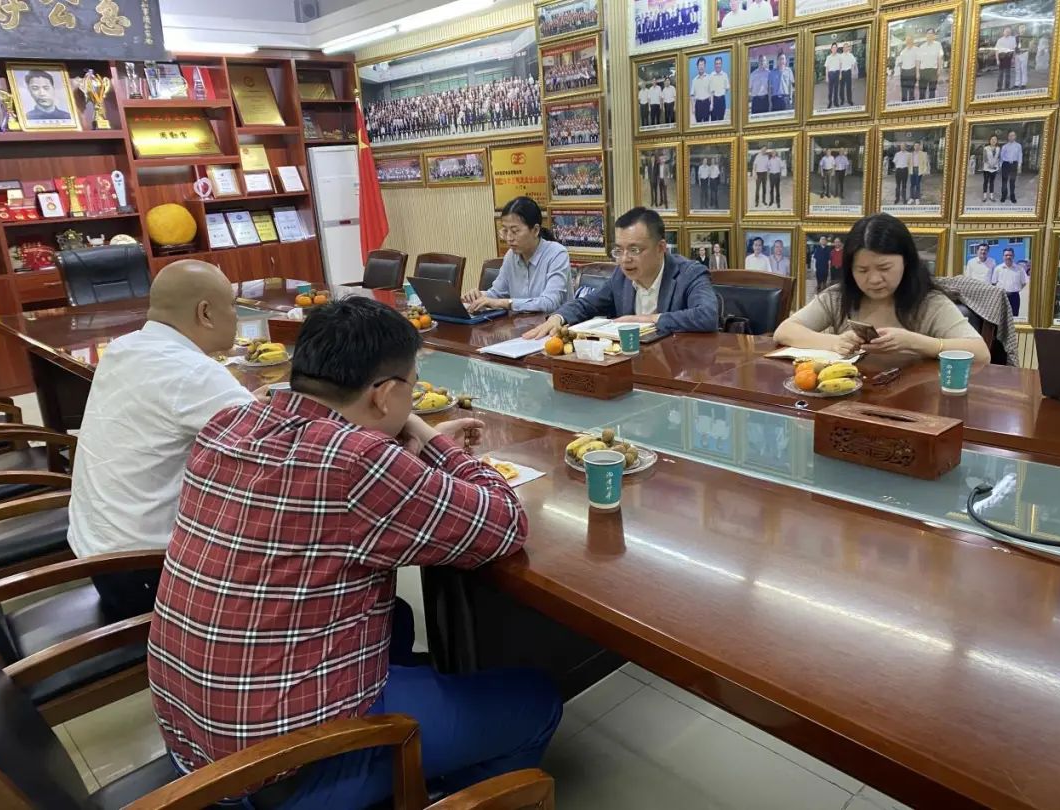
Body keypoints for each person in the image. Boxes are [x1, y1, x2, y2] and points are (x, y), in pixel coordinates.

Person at [150, 298, 562, 808]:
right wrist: (431, 438)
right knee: (535, 700)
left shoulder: (229, 425)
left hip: (194, 742)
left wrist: (397, 448)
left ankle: (415, 771)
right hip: (281, 772)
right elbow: (503, 521)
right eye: (411, 386)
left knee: (400, 618)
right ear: (384, 394)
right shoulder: (355, 461)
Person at [67, 260, 258, 619]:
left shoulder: (123, 348)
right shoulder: (192, 372)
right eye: (232, 305)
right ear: (205, 312)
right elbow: (282, 446)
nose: (236, 315)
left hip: (98, 558)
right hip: (146, 574)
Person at [774, 213, 990, 364]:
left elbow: (981, 354)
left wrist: (915, 342)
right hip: (846, 400)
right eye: (862, 270)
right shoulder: (839, 297)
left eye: (884, 268)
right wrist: (835, 342)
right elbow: (784, 331)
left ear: (906, 262)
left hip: (912, 403)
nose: (874, 279)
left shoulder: (929, 302)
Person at [522, 207, 720, 338]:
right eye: (619, 250)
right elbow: (587, 304)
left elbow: (707, 315)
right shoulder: (621, 276)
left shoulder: (689, 274)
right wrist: (558, 318)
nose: (625, 259)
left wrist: (647, 320)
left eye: (634, 250)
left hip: (677, 368)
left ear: (661, 248)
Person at [463, 197, 571, 315]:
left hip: (553, 324)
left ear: (535, 230)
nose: (509, 238)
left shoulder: (557, 254)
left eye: (515, 231)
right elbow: (497, 293)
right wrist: (479, 296)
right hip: (520, 323)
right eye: (505, 231)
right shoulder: (511, 255)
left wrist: (506, 303)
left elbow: (550, 303)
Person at [992, 247, 1028, 317]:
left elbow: (1024, 283)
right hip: (1002, 296)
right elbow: (994, 283)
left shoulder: (1020, 269)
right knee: (1001, 316)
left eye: (1010, 255)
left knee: (1014, 316)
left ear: (1013, 256)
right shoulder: (998, 269)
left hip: (1014, 297)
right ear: (1003, 257)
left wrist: (1016, 289)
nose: (1008, 257)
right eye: (1006, 255)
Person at [917, 28, 943, 99]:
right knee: (922, 92)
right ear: (926, 35)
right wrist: (918, 72)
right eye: (928, 33)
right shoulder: (922, 47)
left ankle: (931, 105)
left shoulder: (938, 45)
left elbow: (939, 58)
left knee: (932, 91)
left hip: (933, 71)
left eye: (931, 33)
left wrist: (939, 69)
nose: (929, 35)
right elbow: (918, 60)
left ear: (934, 35)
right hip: (923, 71)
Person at [895, 33, 919, 103]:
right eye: (907, 40)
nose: (908, 41)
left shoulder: (916, 50)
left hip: (912, 71)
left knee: (911, 91)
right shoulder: (903, 51)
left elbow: (918, 62)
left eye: (910, 40)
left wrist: (917, 73)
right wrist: (900, 70)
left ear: (912, 40)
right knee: (904, 91)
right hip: (904, 72)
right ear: (905, 41)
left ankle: (911, 105)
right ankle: (904, 104)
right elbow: (900, 63)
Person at [1000, 130, 1022, 204]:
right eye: (1010, 135)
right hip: (1005, 164)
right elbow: (1001, 157)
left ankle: (1012, 196)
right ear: (1008, 137)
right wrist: (1000, 166)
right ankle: (1004, 195)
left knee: (1012, 181)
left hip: (1014, 164)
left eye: (1013, 135)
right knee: (1004, 181)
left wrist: (1019, 166)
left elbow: (1020, 155)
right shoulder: (1004, 146)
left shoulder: (1018, 146)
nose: (1011, 137)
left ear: (1015, 136)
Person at [690, 56, 713, 124]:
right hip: (698, 104)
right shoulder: (694, 80)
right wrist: (693, 107)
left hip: (706, 103)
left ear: (705, 66)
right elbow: (692, 95)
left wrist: (711, 104)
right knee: (698, 124)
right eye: (700, 65)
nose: (701, 67)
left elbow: (711, 92)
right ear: (697, 66)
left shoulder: (709, 78)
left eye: (702, 65)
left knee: (706, 123)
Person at [995, 26, 1016, 92]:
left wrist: (1013, 58)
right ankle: (999, 87)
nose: (1008, 32)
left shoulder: (1013, 39)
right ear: (1003, 32)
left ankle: (1007, 87)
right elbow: (997, 50)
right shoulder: (1000, 40)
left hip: (1008, 57)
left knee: (1008, 74)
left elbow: (1013, 49)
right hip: (1001, 58)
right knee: (1000, 74)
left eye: (1009, 31)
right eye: (1006, 31)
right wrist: (997, 60)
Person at [908, 140, 930, 205]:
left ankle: (917, 198)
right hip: (912, 170)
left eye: (918, 146)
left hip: (919, 170)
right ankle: (912, 198)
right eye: (915, 146)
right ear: (914, 146)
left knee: (917, 184)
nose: (916, 147)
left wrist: (924, 171)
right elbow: (908, 163)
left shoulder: (923, 154)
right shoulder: (911, 154)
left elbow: (925, 163)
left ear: (919, 146)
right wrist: (908, 170)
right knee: (912, 185)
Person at [981, 134, 1001, 203]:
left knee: (992, 182)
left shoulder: (998, 148)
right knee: (986, 182)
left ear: (997, 141)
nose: (993, 141)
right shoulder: (986, 148)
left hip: (994, 168)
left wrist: (995, 165)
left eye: (995, 139)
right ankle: (984, 196)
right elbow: (984, 158)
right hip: (987, 168)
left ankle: (991, 196)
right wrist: (990, 165)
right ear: (989, 140)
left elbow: (998, 158)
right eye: (992, 139)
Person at [839, 41, 857, 107]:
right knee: (841, 87)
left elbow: (853, 63)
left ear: (848, 48)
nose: (845, 48)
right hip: (842, 72)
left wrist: (852, 71)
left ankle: (849, 100)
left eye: (846, 47)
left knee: (849, 87)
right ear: (843, 48)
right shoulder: (840, 56)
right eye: (844, 47)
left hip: (848, 72)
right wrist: (840, 74)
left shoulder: (851, 55)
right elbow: (839, 65)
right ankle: (842, 100)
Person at [824, 42, 842, 109]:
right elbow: (827, 68)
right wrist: (826, 77)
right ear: (831, 49)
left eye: (835, 47)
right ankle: (830, 102)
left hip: (837, 73)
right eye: (833, 48)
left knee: (836, 89)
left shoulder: (839, 56)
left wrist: (840, 74)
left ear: (837, 48)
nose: (834, 49)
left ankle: (836, 102)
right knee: (830, 90)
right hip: (830, 74)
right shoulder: (828, 57)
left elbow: (840, 66)